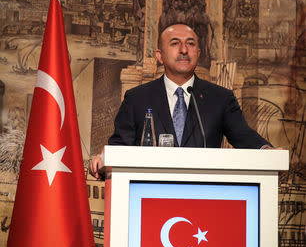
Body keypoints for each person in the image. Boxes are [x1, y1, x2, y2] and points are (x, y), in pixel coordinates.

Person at [89, 23, 272, 177]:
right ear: (159, 56)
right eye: (175, 43)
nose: (184, 50)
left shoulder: (221, 98)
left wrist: (266, 151)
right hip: (150, 198)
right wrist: (103, 160)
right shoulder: (137, 98)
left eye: (190, 44)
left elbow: (244, 136)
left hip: (204, 198)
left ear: (198, 54)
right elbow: (120, 147)